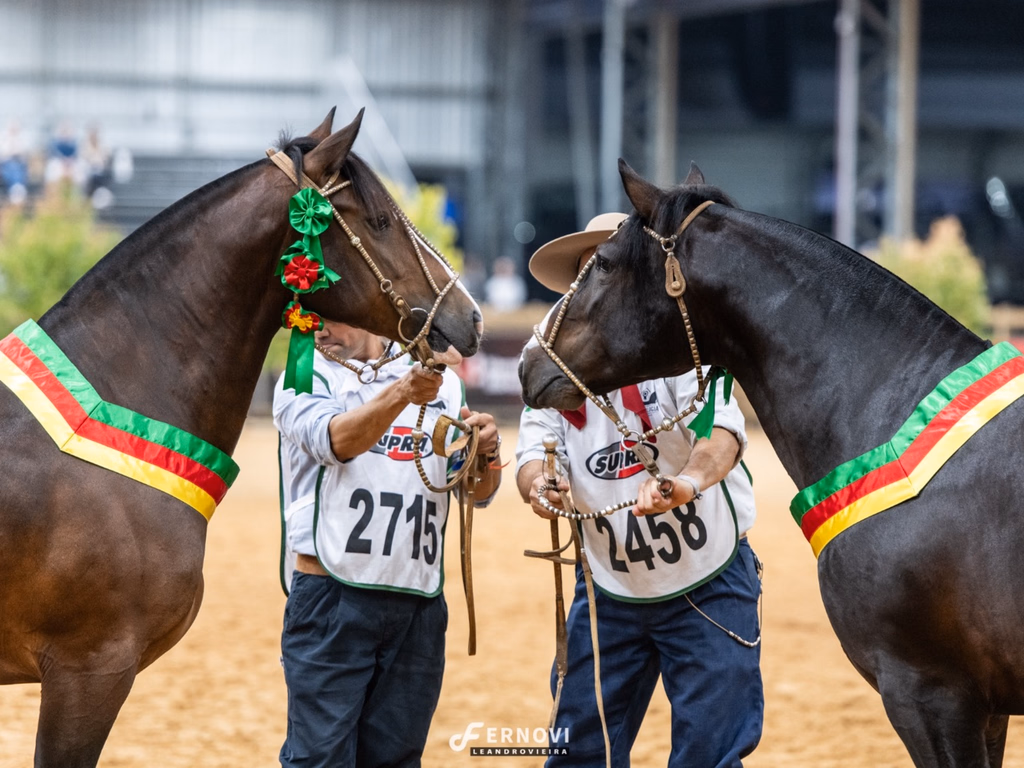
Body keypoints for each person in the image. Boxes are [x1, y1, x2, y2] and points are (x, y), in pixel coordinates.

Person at [516, 213, 763, 768]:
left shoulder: (683, 346)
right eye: (590, 276)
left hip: (709, 580)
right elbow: (533, 452)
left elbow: (721, 435)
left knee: (711, 755)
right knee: (579, 754)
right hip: (609, 590)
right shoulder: (553, 356)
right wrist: (541, 485)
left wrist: (688, 482)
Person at [274, 320, 503, 768]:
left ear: (366, 307)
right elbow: (335, 440)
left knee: (398, 760)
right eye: (309, 313)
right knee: (318, 760)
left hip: (417, 603)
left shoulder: (445, 384)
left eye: (331, 312)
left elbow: (479, 493)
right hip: (331, 597)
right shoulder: (303, 374)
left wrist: (487, 453)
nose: (318, 326)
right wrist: (403, 392)